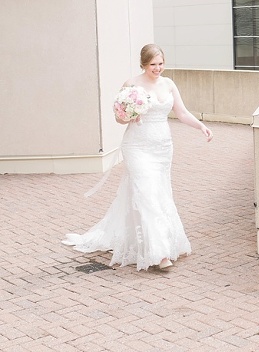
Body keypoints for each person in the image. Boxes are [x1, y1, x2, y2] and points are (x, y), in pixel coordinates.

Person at [63, 44, 213, 270]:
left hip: (162, 147)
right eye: (153, 64)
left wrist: (201, 126)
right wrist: (129, 116)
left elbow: (181, 112)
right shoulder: (131, 85)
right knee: (147, 192)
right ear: (143, 64)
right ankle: (159, 253)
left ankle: (148, 239)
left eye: (161, 63)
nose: (158, 68)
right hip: (137, 146)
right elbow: (119, 119)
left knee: (160, 192)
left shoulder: (169, 84)